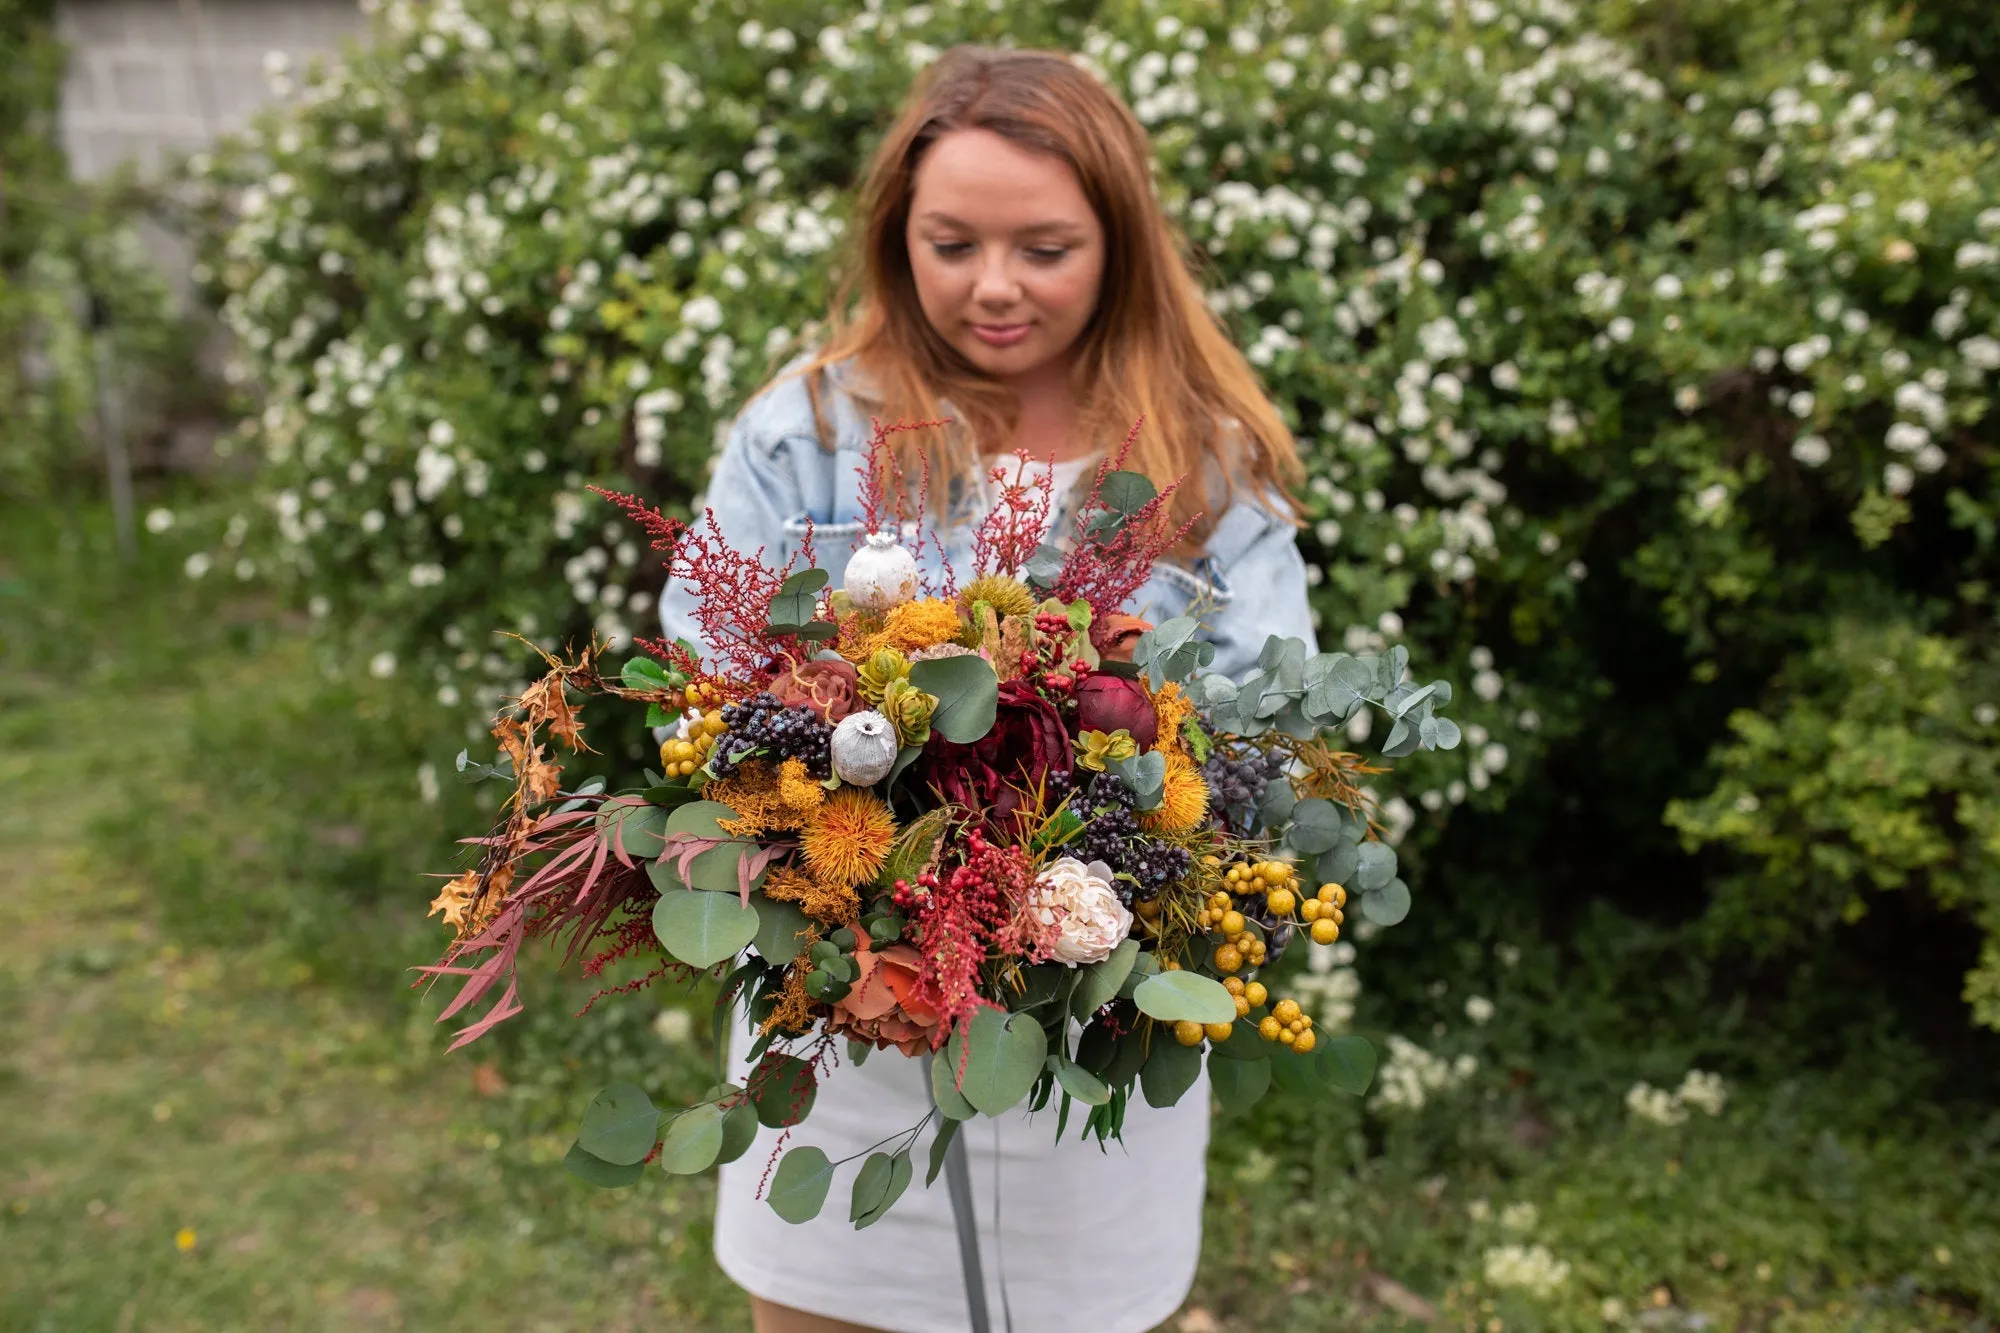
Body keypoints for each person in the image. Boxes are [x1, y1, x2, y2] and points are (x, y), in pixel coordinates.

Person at [658, 45, 1316, 1333]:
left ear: (1119, 242)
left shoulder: (1203, 468)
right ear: (897, 234)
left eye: (1046, 248)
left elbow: (1263, 739)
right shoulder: (809, 434)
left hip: (1082, 1034)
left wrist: (1119, 853)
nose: (995, 287)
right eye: (951, 243)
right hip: (846, 1028)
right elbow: (702, 677)